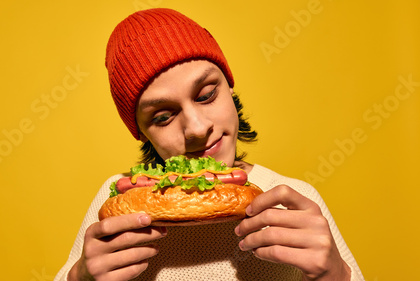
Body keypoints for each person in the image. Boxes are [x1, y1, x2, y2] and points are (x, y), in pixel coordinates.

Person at [55, 8, 364, 281]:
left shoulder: (295, 201)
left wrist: (334, 275)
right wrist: (79, 279)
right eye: (163, 116)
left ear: (230, 88)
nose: (198, 128)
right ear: (142, 132)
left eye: (206, 95)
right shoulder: (114, 207)